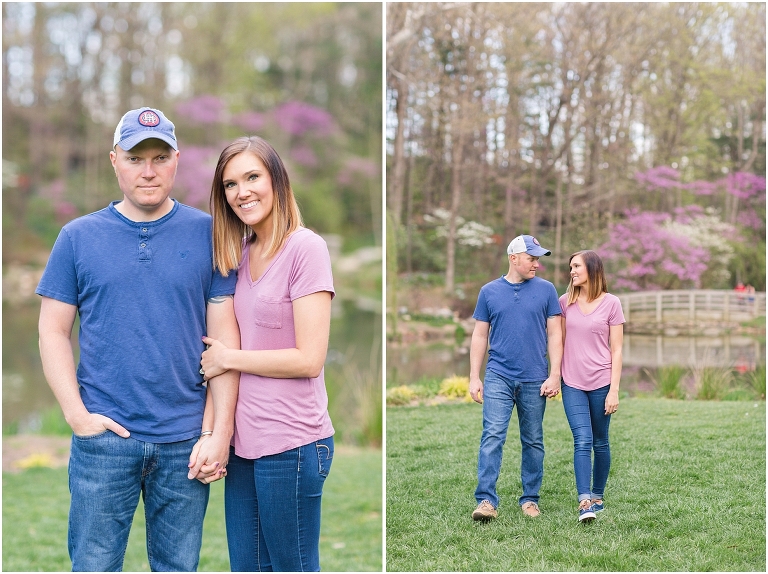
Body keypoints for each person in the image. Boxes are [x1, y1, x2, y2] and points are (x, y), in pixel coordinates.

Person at [36, 107, 239, 571]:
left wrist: (217, 433)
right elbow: (51, 330)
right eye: (134, 158)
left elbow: (223, 345)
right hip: (104, 441)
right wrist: (77, 415)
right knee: (94, 565)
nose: (148, 170)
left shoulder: (209, 232)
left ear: (176, 160)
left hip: (185, 441)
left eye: (160, 157)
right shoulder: (77, 237)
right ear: (114, 161)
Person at [199, 136, 335, 571]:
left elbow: (308, 359)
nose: (243, 192)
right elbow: (218, 349)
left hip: (292, 443)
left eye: (252, 177)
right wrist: (212, 432)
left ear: (276, 180)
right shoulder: (236, 255)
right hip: (242, 444)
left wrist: (230, 358)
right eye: (230, 184)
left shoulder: (305, 249)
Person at [469, 234, 563, 521]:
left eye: (538, 259)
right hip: (498, 375)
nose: (537, 264)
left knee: (533, 440)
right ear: (514, 258)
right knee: (492, 436)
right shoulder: (488, 292)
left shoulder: (547, 291)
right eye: (532, 258)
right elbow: (480, 335)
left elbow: (556, 334)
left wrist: (555, 374)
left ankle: (530, 499)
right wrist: (474, 376)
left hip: (536, 377)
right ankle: (486, 501)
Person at [559, 250, 624, 523]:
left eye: (576, 266)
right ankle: (584, 501)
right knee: (582, 440)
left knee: (601, 441)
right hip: (571, 382)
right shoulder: (564, 302)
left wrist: (614, 390)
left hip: (602, 382)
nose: (571, 271)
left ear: (592, 269)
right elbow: (557, 343)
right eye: (571, 266)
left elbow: (617, 350)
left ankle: (598, 495)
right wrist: (553, 375)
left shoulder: (612, 303)